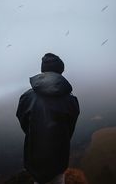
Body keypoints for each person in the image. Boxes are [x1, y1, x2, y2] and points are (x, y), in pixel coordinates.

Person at [16, 53, 80, 184]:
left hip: (34, 158)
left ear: (43, 70)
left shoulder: (27, 97)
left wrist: (35, 134)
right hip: (59, 159)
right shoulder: (71, 100)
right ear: (61, 71)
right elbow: (70, 129)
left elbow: (23, 122)